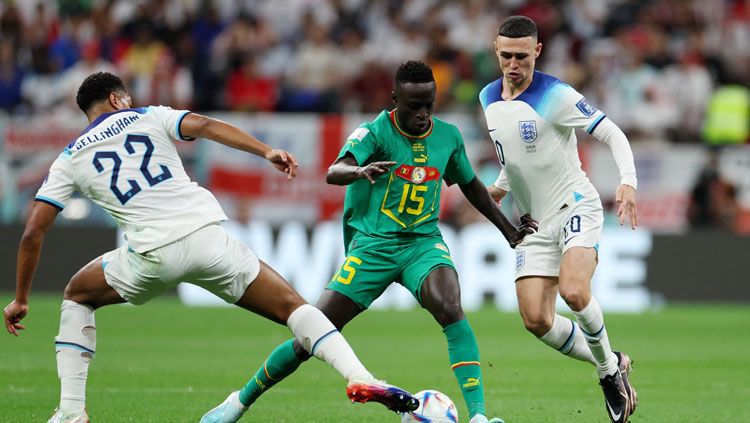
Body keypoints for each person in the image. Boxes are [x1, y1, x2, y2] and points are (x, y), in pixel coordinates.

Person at [2, 72, 419, 423]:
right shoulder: (148, 117)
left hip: (150, 257)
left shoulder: (69, 158)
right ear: (116, 99)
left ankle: (72, 412)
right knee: (294, 307)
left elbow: (32, 232)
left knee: (77, 294)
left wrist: (21, 298)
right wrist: (265, 150)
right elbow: (201, 125)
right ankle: (359, 375)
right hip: (208, 239)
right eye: (125, 97)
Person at [202, 61, 536, 423]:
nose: (423, 115)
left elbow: (471, 185)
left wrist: (509, 230)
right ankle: (240, 401)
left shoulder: (448, 136)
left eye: (429, 105)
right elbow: (334, 170)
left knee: (451, 308)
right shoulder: (373, 133)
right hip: (372, 247)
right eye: (414, 106)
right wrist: (358, 171)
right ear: (395, 99)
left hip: (422, 244)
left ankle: (480, 417)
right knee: (312, 334)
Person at [480, 16, 639, 423]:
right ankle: (615, 359)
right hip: (532, 222)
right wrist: (496, 189)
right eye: (506, 56)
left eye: (521, 56)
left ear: (537, 52)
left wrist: (628, 182)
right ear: (495, 53)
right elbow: (514, 156)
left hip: (575, 206)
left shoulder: (556, 94)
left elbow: (613, 134)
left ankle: (607, 375)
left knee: (573, 290)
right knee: (536, 319)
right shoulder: (487, 97)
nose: (514, 65)